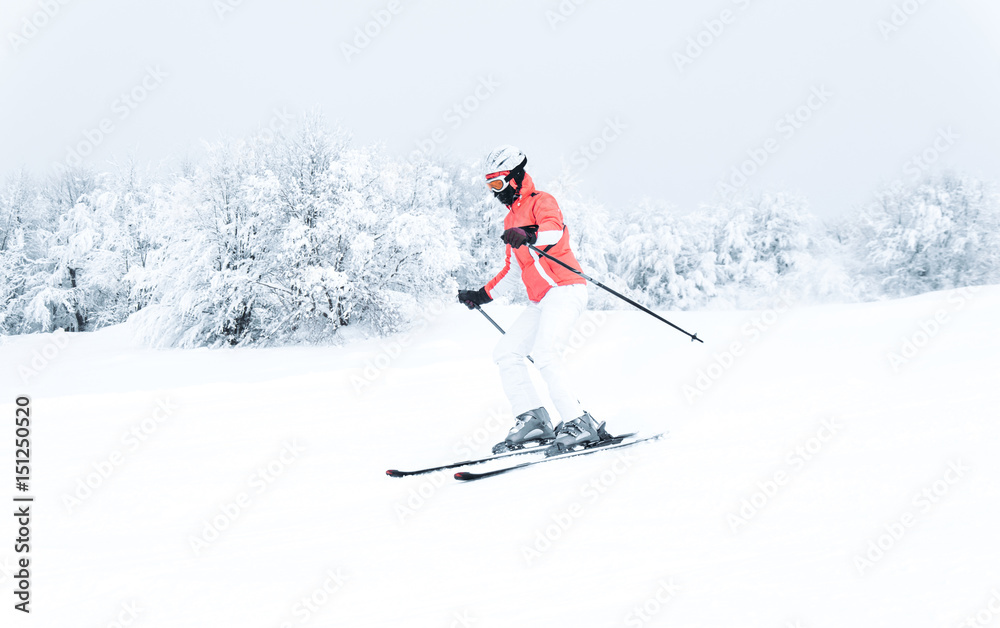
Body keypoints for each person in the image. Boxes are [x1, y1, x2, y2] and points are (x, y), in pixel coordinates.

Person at [458, 145, 609, 456]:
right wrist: (481, 295)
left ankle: (579, 423)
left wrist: (529, 235)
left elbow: (553, 232)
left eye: (498, 184)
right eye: (490, 187)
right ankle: (535, 420)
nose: (494, 192)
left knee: (545, 353)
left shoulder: (543, 202)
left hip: (566, 289)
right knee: (506, 352)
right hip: (541, 300)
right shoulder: (509, 219)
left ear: (515, 178)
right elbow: (513, 271)